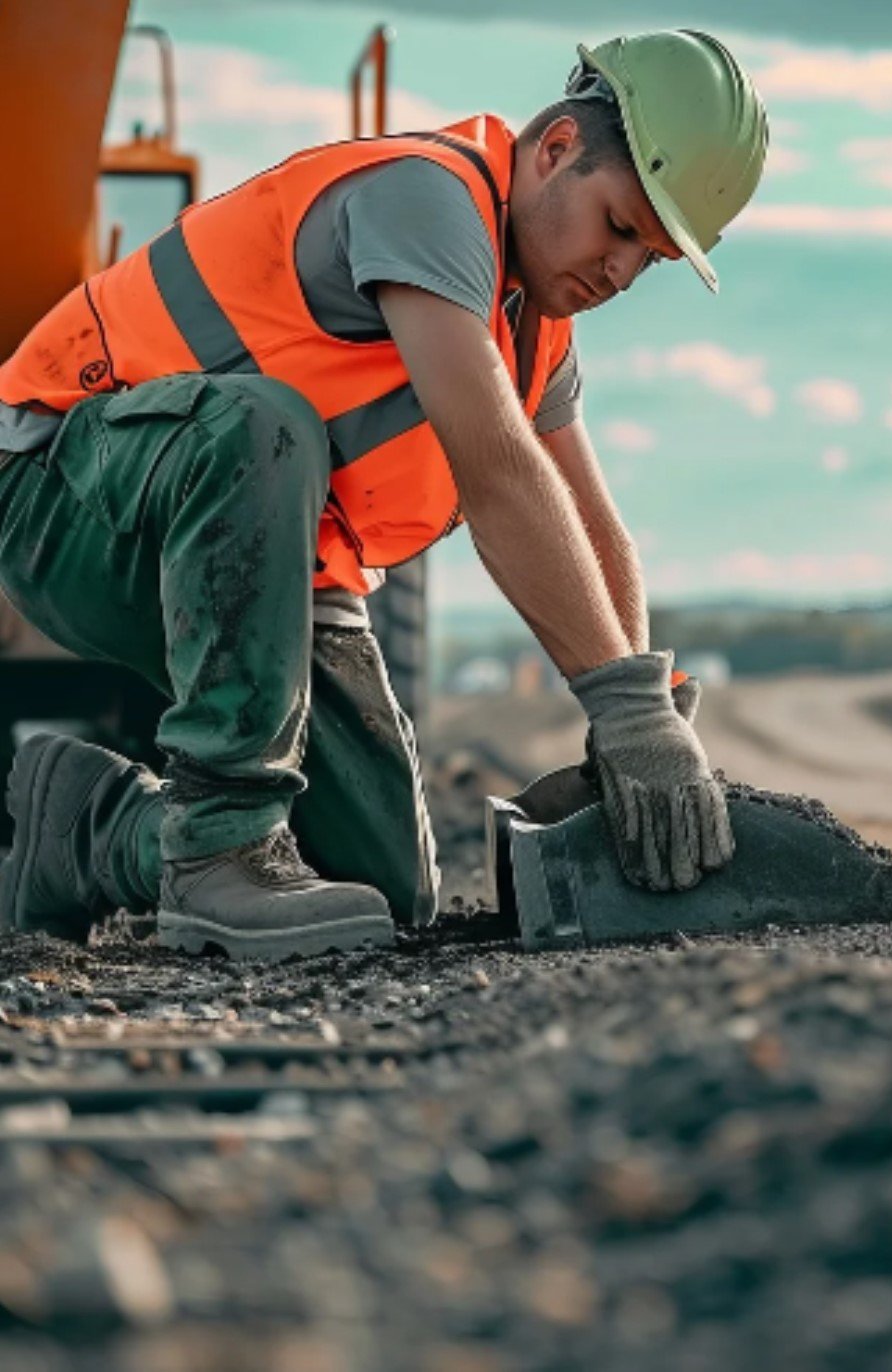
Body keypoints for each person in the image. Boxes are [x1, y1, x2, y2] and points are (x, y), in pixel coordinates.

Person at [0, 29, 767, 959]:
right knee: (261, 422)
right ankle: (218, 857)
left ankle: (86, 828)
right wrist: (621, 706)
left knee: (381, 885)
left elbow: (593, 529)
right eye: (619, 226)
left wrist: (648, 707)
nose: (619, 272)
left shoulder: (534, 330)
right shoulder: (427, 200)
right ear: (557, 148)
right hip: (64, 490)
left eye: (650, 258)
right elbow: (499, 474)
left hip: (254, 557)